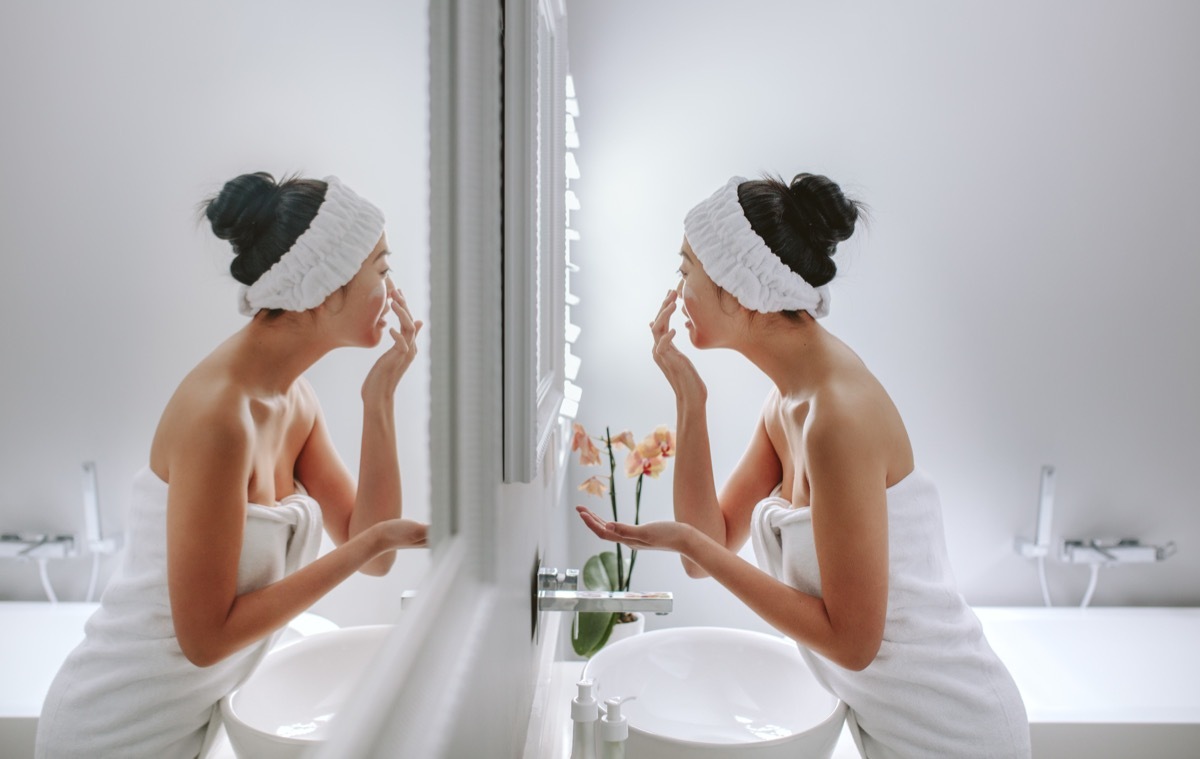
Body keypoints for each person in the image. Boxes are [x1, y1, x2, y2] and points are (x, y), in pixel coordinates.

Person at [578, 174, 1031, 757]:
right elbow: (710, 540)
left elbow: (852, 644)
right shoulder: (788, 402)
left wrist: (693, 545)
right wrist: (691, 401)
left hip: (956, 730)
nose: (678, 289)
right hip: (899, 726)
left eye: (686, 270)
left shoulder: (838, 419)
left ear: (737, 288)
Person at [36, 172, 428, 758]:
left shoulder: (293, 400)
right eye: (381, 268)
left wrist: (380, 401)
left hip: (186, 724)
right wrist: (370, 544)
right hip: (112, 729)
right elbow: (206, 640)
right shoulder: (219, 420)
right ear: (328, 287)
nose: (392, 290)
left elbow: (375, 553)